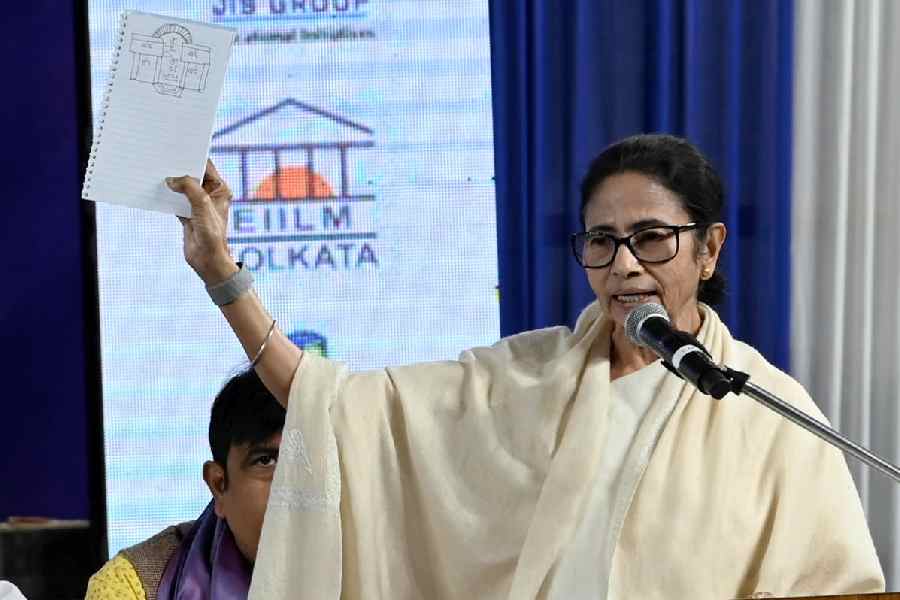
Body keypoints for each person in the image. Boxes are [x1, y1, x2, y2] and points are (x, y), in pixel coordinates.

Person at [166, 134, 885, 599]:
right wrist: (220, 273)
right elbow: (334, 405)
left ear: (711, 248)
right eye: (602, 242)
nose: (624, 265)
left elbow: (836, 584)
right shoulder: (522, 380)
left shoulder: (771, 414)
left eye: (652, 239)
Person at [84, 369, 285, 599]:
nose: (294, 491)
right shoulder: (130, 586)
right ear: (219, 485)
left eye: (312, 463)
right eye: (266, 461)